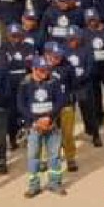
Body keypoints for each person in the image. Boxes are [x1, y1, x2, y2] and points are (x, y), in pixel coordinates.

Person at [19, 56, 68, 197]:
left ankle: (55, 183)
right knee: (33, 156)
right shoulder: (25, 84)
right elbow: (21, 105)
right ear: (33, 69)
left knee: (54, 156)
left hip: (52, 125)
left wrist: (49, 118)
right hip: (34, 126)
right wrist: (36, 121)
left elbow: (60, 101)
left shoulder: (54, 81)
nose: (45, 72)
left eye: (47, 69)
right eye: (41, 70)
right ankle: (34, 186)